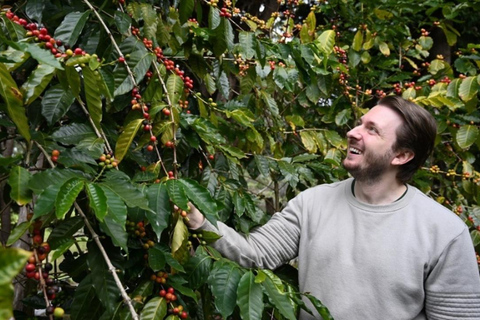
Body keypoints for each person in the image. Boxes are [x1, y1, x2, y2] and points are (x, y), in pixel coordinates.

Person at [186, 96, 480, 319]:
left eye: (372, 130)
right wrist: (199, 221)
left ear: (401, 155)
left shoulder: (444, 231)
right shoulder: (311, 204)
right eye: (359, 123)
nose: (353, 132)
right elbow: (255, 255)